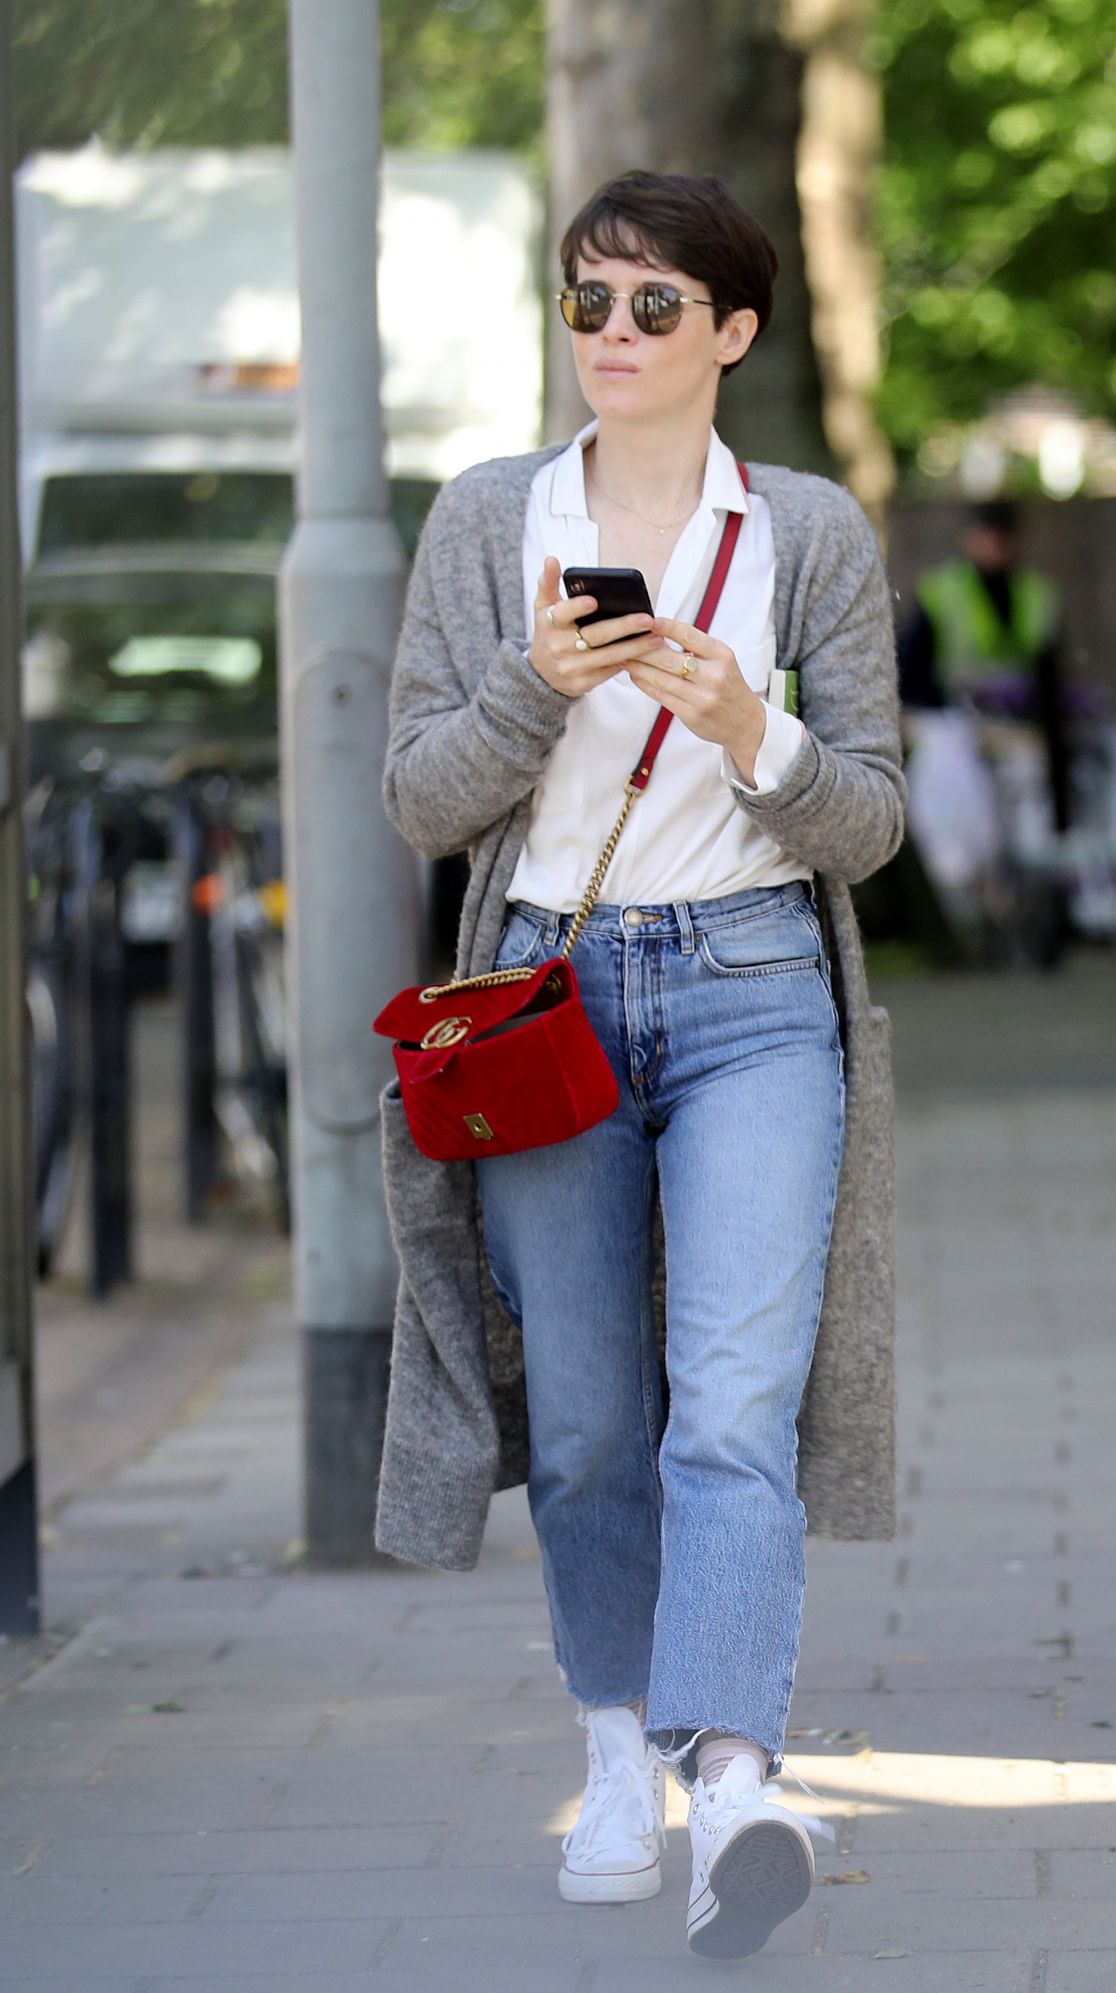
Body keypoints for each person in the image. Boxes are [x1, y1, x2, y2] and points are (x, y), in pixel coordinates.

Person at [374, 169, 905, 1959]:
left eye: (651, 306)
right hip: (545, 1000)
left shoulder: (811, 533)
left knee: (735, 1406)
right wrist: (533, 688)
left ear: (733, 333)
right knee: (594, 1415)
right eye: (587, 301)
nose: (612, 334)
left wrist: (750, 724)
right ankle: (618, 1749)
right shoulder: (484, 520)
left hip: (758, 984)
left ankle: (737, 1774)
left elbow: (878, 823)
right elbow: (419, 800)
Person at [897, 499, 1071, 834]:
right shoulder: (943, 591)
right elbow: (913, 666)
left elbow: (1049, 669)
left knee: (1026, 787)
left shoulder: (1035, 593)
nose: (994, 548)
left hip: (1019, 721)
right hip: (953, 717)